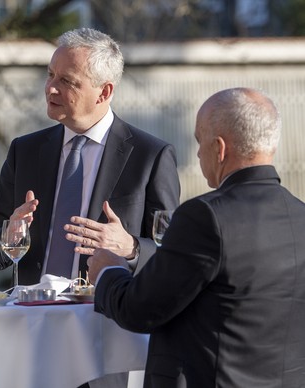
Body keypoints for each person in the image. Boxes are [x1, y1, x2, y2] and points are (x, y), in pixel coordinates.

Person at [88, 87, 305, 387]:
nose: (199, 153)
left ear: (220, 149)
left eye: (199, 141)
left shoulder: (205, 217)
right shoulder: (300, 215)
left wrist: (108, 270)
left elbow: (139, 310)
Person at [0, 28, 180, 286]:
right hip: (31, 316)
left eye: (67, 81)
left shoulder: (151, 156)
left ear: (104, 92)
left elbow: (174, 255)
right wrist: (10, 236)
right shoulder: (25, 151)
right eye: (50, 75)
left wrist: (130, 247)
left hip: (105, 318)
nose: (51, 88)